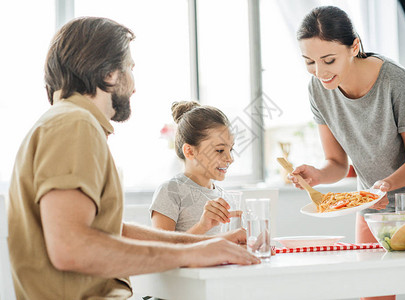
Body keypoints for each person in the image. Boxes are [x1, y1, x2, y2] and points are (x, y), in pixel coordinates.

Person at [7, 17, 259, 300]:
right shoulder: (74, 125)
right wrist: (190, 252)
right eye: (130, 68)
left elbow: (114, 231)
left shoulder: (66, 122)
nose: (135, 85)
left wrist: (207, 243)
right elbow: (71, 247)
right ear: (110, 73)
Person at [290, 6, 405, 300]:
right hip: (375, 201)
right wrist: (318, 174)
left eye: (328, 60)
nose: (320, 71)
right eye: (309, 62)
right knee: (373, 288)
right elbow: (337, 163)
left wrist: (385, 185)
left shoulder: (396, 80)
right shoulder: (318, 89)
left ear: (354, 47)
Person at [150, 101, 240, 235]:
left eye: (231, 149)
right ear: (190, 151)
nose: (230, 158)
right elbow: (161, 252)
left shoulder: (225, 197)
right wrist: (202, 226)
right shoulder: (171, 192)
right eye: (220, 150)